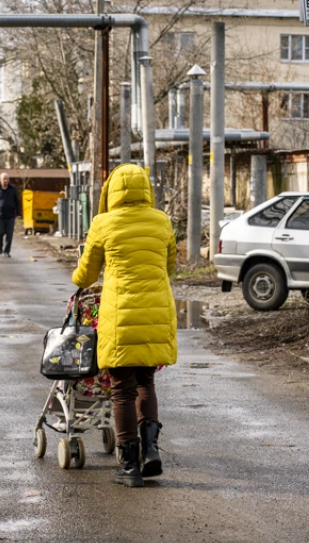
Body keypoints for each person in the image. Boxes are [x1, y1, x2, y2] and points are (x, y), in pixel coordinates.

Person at [72, 164, 177, 488]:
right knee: (146, 382)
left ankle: (129, 465)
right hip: (156, 313)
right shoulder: (161, 221)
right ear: (146, 189)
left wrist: (77, 277)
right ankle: (151, 451)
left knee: (121, 390)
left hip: (120, 316)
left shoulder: (103, 223)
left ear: (112, 191)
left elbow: (87, 274)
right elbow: (170, 265)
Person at [0, 172, 22, 257]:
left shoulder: (13, 189)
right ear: (0, 180)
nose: (6, 181)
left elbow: (17, 201)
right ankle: (0, 247)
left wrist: (18, 213)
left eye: (7, 179)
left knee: (9, 234)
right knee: (0, 233)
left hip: (10, 216)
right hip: (0, 216)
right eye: (4, 179)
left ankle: (7, 251)